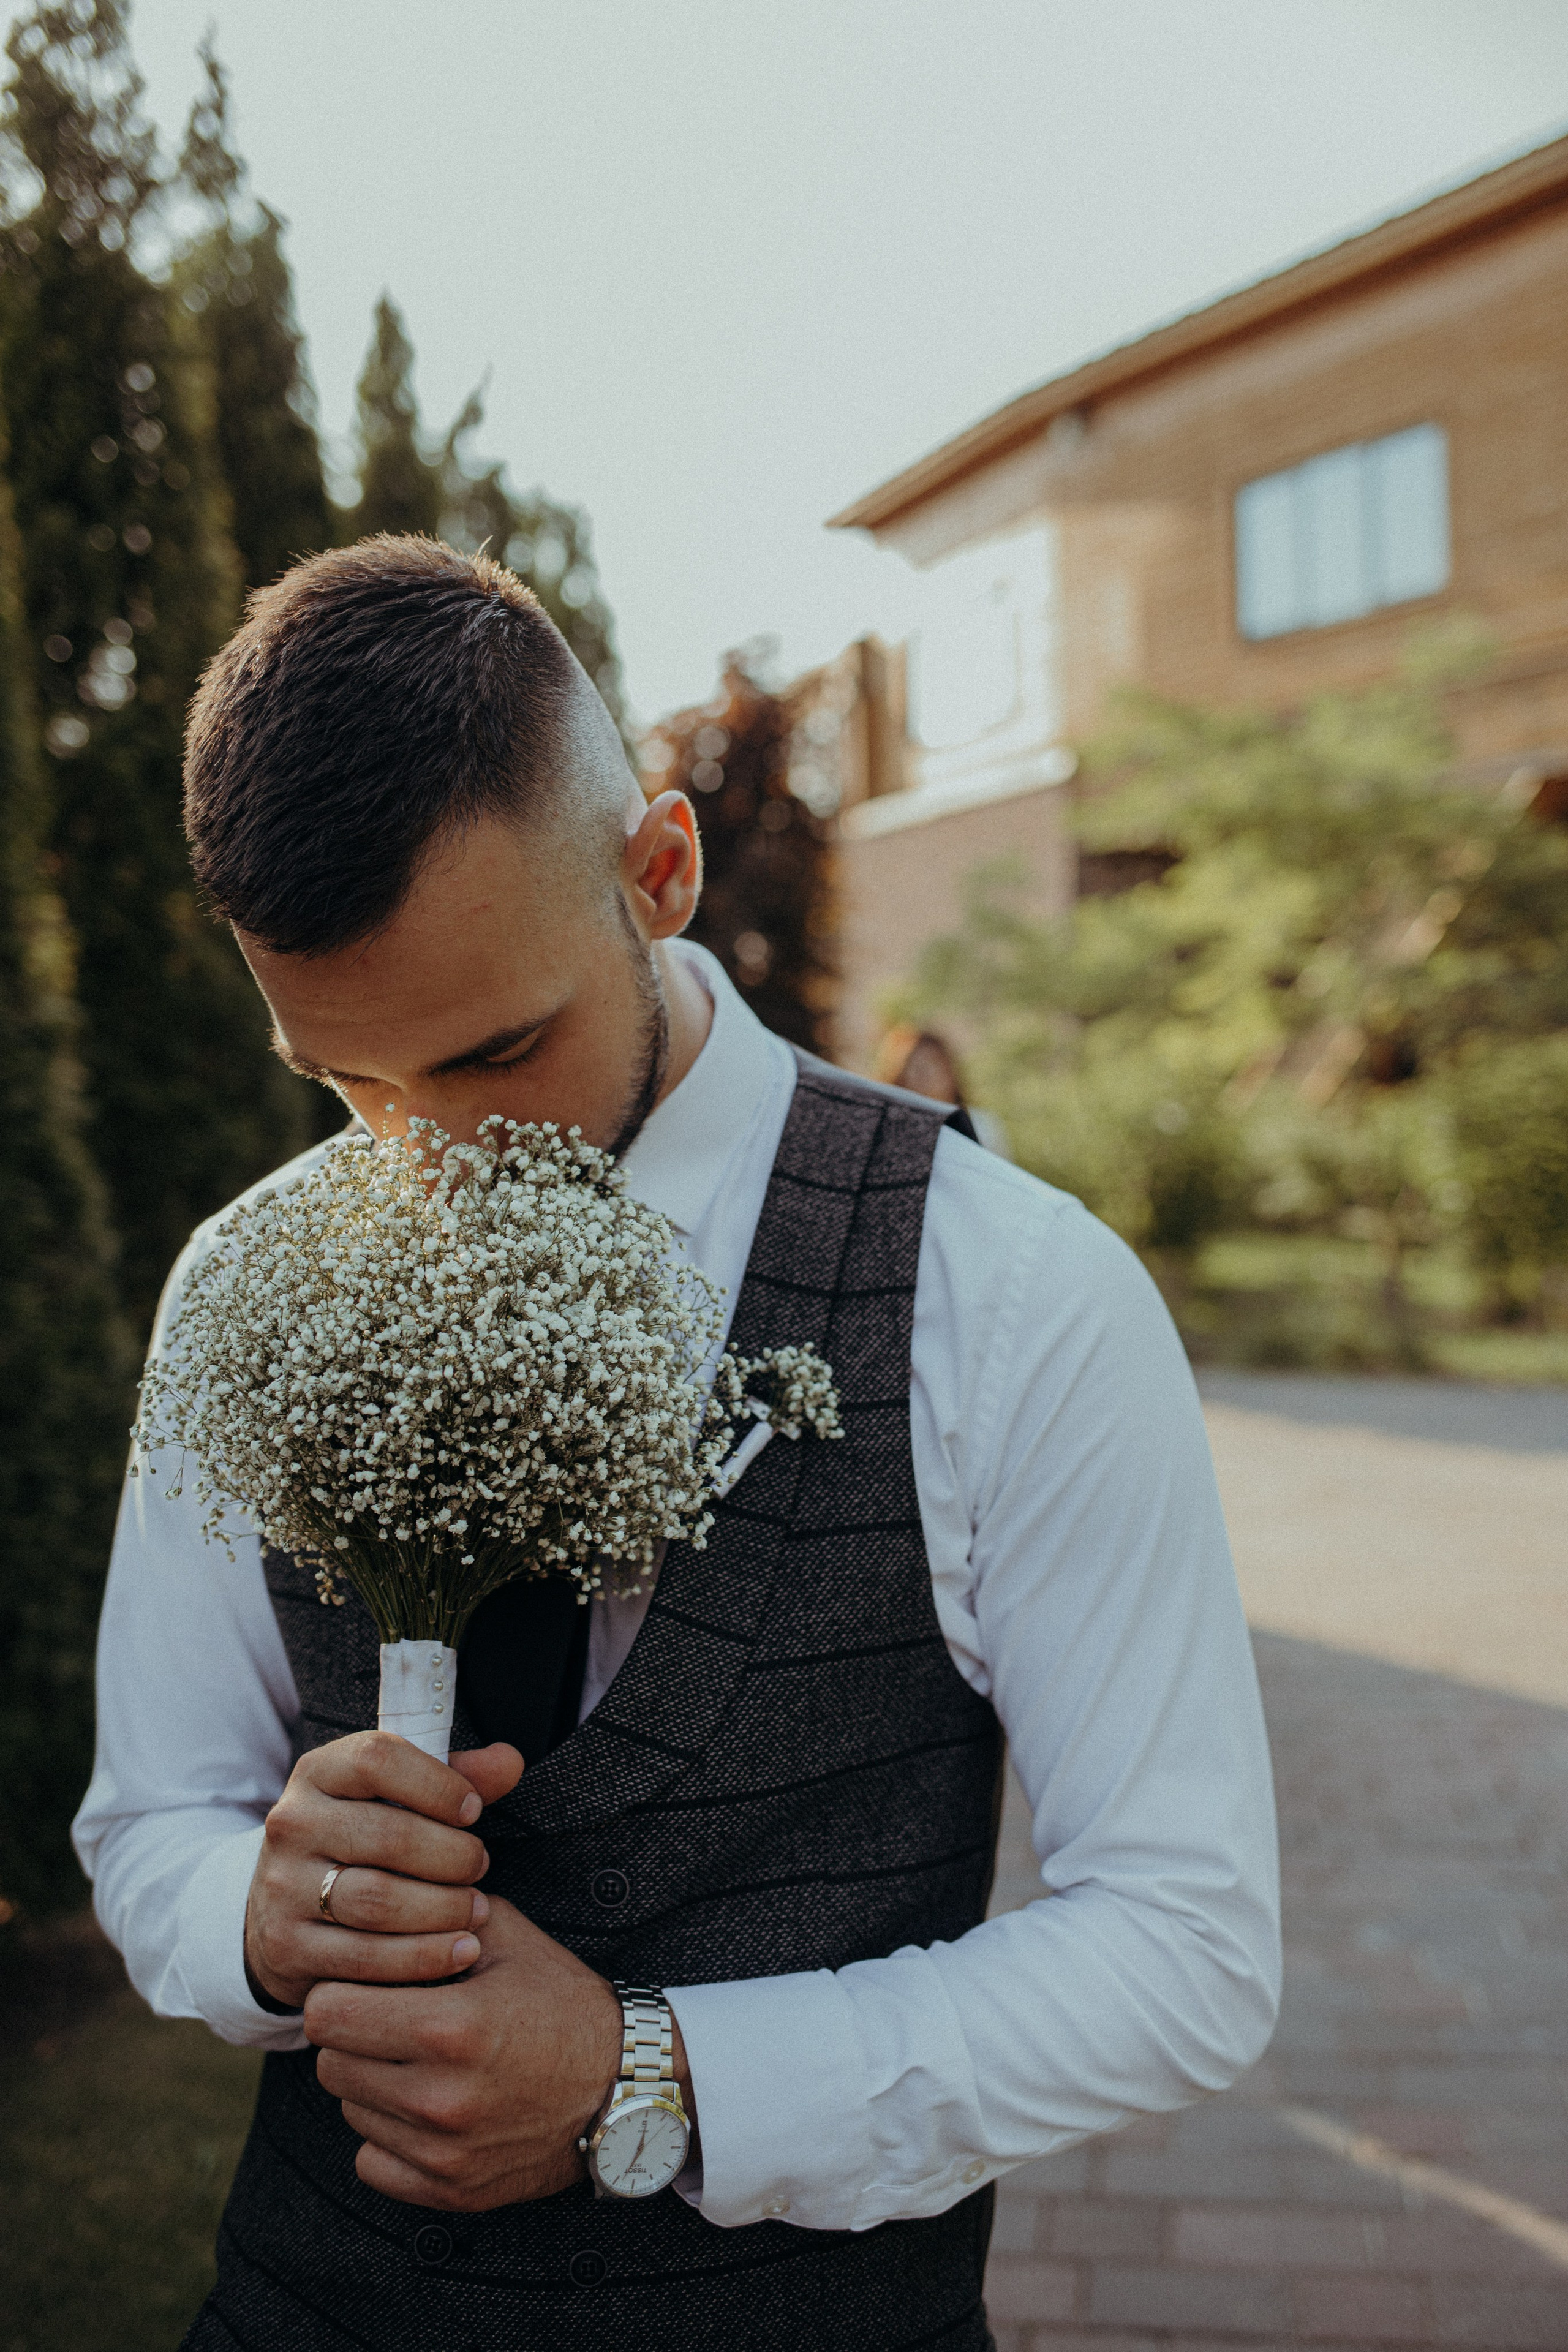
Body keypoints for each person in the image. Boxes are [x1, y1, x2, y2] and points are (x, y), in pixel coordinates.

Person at [74, 538, 1280, 2352]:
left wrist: (659, 2077)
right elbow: (149, 1818)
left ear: (659, 869)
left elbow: (1187, 1950)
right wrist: (264, 1909)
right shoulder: (243, 1278)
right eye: (343, 1080)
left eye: (493, 1055)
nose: (429, 1155)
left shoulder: (1016, 1295)